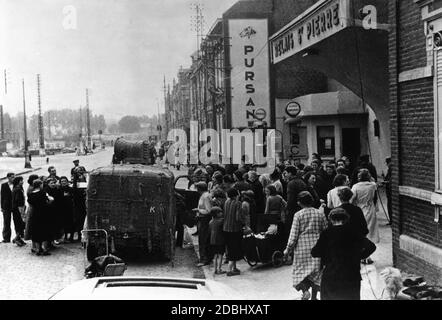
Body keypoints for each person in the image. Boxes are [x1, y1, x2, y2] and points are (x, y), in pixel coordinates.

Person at [311, 208, 376, 300]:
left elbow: (314, 252)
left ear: (331, 219)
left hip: (331, 275)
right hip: (351, 275)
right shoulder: (353, 232)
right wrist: (358, 256)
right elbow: (371, 247)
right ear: (346, 219)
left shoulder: (326, 233)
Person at [283, 191, 328, 300]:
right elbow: (326, 231)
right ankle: (313, 297)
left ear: (299, 203)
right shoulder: (320, 213)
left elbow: (293, 235)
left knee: (300, 272)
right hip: (317, 246)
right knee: (316, 273)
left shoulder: (298, 215)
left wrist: (287, 249)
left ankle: (305, 291)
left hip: (302, 247)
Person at [351, 169, 380, 264]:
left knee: (361, 232)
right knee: (370, 231)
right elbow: (375, 183)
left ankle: (363, 255)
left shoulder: (355, 186)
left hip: (360, 209)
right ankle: (367, 255)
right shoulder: (372, 185)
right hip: (370, 209)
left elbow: (351, 199)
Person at [223, 188, 245, 276]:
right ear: (236, 194)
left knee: (230, 248)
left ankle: (234, 268)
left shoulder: (226, 202)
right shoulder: (238, 203)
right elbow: (238, 217)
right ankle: (229, 270)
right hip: (235, 229)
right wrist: (244, 223)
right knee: (234, 249)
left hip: (226, 228)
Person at [27, 179, 52, 256]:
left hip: (35, 214)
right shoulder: (43, 193)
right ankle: (44, 249)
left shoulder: (31, 195)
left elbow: (30, 204)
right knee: (44, 231)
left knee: (36, 232)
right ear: (40, 185)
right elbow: (50, 200)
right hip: (44, 214)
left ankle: (38, 249)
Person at [284, 166, 307, 240]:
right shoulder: (301, 181)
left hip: (293, 210)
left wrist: (287, 209)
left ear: (290, 173)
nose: (285, 175)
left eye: (286, 173)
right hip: (302, 207)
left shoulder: (291, 183)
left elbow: (290, 199)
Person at [194, 182, 213, 267]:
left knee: (203, 240)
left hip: (204, 219)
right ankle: (206, 258)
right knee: (204, 239)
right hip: (202, 219)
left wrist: (198, 210)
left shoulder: (205, 197)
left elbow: (208, 210)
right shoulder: (205, 195)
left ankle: (204, 259)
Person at [209, 206, 226, 275]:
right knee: (221, 255)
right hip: (220, 240)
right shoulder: (221, 221)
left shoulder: (210, 222)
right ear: (216, 214)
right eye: (220, 212)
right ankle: (219, 269)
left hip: (212, 241)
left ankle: (215, 269)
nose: (221, 213)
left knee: (215, 256)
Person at [45, 178, 63, 246]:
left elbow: (60, 198)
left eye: (54, 183)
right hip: (50, 210)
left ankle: (55, 239)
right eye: (51, 183)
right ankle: (51, 241)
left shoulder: (57, 189)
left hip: (57, 209)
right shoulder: (46, 190)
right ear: (48, 183)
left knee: (56, 225)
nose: (53, 184)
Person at [24, 174, 39, 252]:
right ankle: (34, 246)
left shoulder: (32, 187)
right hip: (32, 209)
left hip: (32, 208)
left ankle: (34, 245)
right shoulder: (31, 188)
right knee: (32, 227)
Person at [11, 176, 26, 247]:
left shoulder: (17, 188)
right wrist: (22, 212)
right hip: (18, 210)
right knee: (21, 224)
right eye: (21, 181)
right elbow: (18, 201)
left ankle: (18, 238)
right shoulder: (18, 190)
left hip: (16, 209)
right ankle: (17, 238)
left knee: (19, 224)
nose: (22, 182)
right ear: (18, 182)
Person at [1, 172, 16, 243]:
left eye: (14, 177)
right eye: (12, 177)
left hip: (15, 206)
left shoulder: (17, 184)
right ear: (8, 177)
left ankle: (18, 237)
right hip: (6, 206)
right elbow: (2, 197)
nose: (14, 178)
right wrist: (2, 207)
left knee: (17, 221)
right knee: (6, 222)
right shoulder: (4, 185)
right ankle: (6, 238)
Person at [59, 176, 75, 242]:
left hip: (70, 208)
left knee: (71, 222)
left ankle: (71, 236)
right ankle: (65, 236)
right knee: (64, 223)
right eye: (62, 181)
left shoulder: (71, 189)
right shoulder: (59, 189)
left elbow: (73, 197)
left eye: (65, 181)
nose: (64, 182)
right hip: (62, 208)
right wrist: (63, 196)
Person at [383, 157, 392, 226]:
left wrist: (385, 182)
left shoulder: (391, 169)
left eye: (386, 163)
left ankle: (391, 220)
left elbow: (390, 180)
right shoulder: (390, 169)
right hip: (389, 190)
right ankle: (391, 220)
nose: (386, 164)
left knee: (390, 205)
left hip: (390, 190)